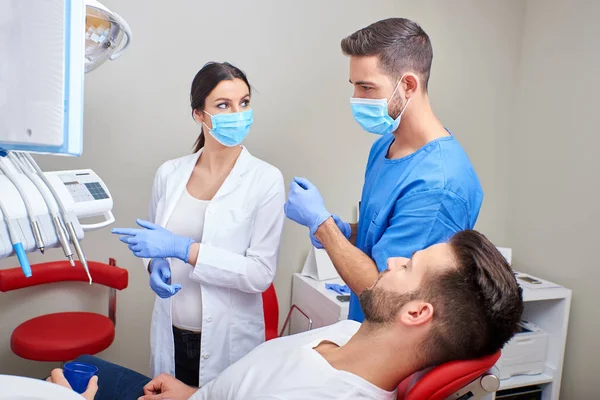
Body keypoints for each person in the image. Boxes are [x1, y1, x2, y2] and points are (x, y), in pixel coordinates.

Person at [48, 230, 523, 400]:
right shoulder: (352, 329)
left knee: (52, 386)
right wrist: (195, 393)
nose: (395, 260)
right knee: (68, 371)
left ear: (418, 312)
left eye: (410, 265)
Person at [284, 17, 484, 322]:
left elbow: (385, 292)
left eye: (367, 88)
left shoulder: (439, 186)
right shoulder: (384, 146)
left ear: (408, 85)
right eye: (354, 87)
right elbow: (384, 235)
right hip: (365, 327)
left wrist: (322, 225)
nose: (356, 100)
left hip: (400, 347)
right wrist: (348, 232)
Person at [111, 62, 286, 387]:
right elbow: (155, 239)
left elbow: (260, 274)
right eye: (224, 105)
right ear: (199, 115)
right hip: (171, 335)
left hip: (228, 342)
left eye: (244, 103)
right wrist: (155, 263)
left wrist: (184, 249)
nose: (238, 113)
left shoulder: (266, 180)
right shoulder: (170, 173)